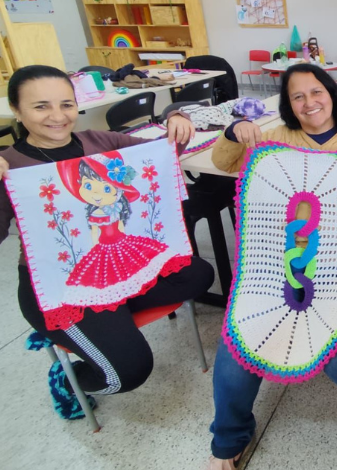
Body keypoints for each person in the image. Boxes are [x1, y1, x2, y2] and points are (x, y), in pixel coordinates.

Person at [206, 63, 337, 469]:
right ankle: (228, 439)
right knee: (239, 341)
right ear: (287, 104)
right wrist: (233, 131)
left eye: (316, 92)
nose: (309, 103)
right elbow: (225, 161)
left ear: (332, 93)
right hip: (287, 259)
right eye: (297, 96)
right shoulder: (275, 138)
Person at [0, 65, 213, 420]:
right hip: (59, 288)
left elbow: (161, 154)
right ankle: (70, 378)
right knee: (126, 373)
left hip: (117, 267)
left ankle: (100, 328)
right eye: (41, 107)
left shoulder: (100, 142)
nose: (57, 116)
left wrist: (176, 117)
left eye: (66, 104)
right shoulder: (9, 167)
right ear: (17, 111)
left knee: (197, 275)